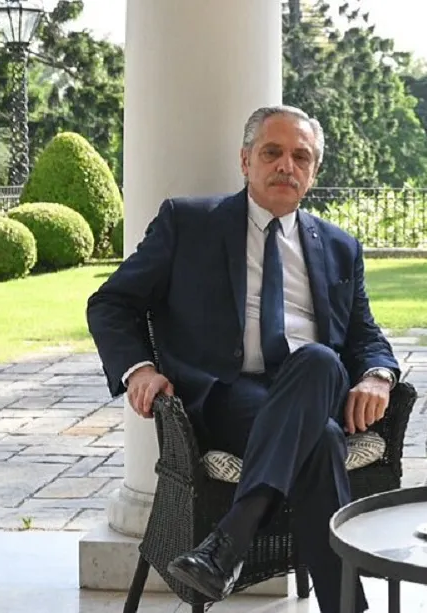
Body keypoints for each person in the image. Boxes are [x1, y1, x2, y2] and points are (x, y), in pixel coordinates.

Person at [86, 105, 399, 613]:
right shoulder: (189, 223)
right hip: (228, 399)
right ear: (245, 160)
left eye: (301, 157)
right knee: (321, 440)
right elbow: (111, 303)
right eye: (272, 152)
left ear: (314, 171)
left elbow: (365, 334)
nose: (286, 166)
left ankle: (228, 543)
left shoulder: (340, 247)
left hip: (314, 386)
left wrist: (379, 376)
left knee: (319, 362)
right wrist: (139, 369)